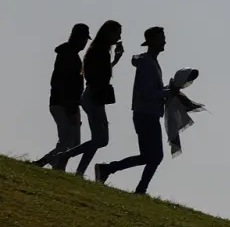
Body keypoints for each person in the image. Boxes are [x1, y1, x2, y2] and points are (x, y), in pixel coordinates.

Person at [96, 27, 169, 195]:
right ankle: (139, 189)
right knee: (155, 156)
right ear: (151, 41)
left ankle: (107, 169)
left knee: (148, 156)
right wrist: (167, 92)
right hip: (146, 115)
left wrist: (167, 89)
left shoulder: (151, 62)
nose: (164, 42)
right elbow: (146, 93)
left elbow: (150, 90)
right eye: (161, 38)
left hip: (146, 114)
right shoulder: (148, 63)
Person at [48, 20, 124, 177]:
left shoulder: (100, 50)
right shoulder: (98, 50)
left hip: (95, 96)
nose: (119, 37)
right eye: (117, 33)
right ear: (109, 33)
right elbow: (93, 74)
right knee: (100, 139)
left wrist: (116, 59)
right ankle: (65, 157)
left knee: (99, 139)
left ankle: (79, 170)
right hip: (94, 96)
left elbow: (100, 72)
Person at [30, 23, 91, 170]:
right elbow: (64, 84)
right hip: (63, 104)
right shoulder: (69, 56)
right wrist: (71, 110)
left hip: (66, 104)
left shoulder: (71, 55)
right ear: (79, 39)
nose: (85, 44)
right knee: (67, 142)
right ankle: (45, 163)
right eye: (84, 40)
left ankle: (54, 164)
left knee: (72, 142)